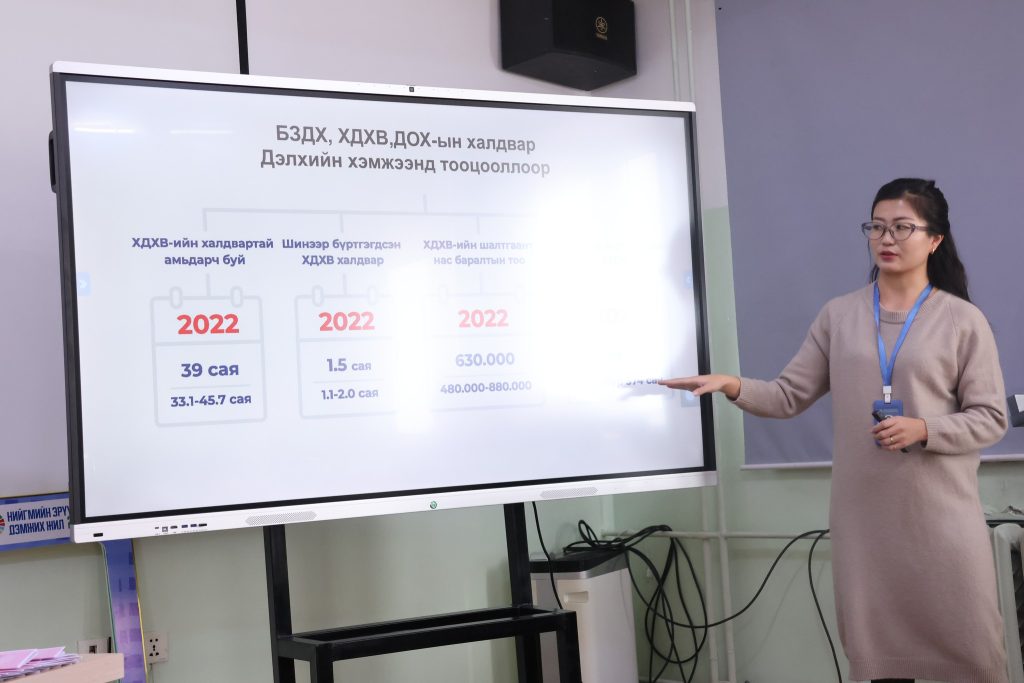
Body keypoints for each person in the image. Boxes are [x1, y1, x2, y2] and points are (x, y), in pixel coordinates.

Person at [660, 178, 1009, 683]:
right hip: (865, 527)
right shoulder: (839, 315)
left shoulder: (962, 320)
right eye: (877, 227)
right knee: (881, 661)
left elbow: (991, 417)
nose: (886, 238)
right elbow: (787, 396)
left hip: (944, 526)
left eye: (902, 227)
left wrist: (924, 428)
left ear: (935, 239)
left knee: (972, 659)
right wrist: (731, 384)